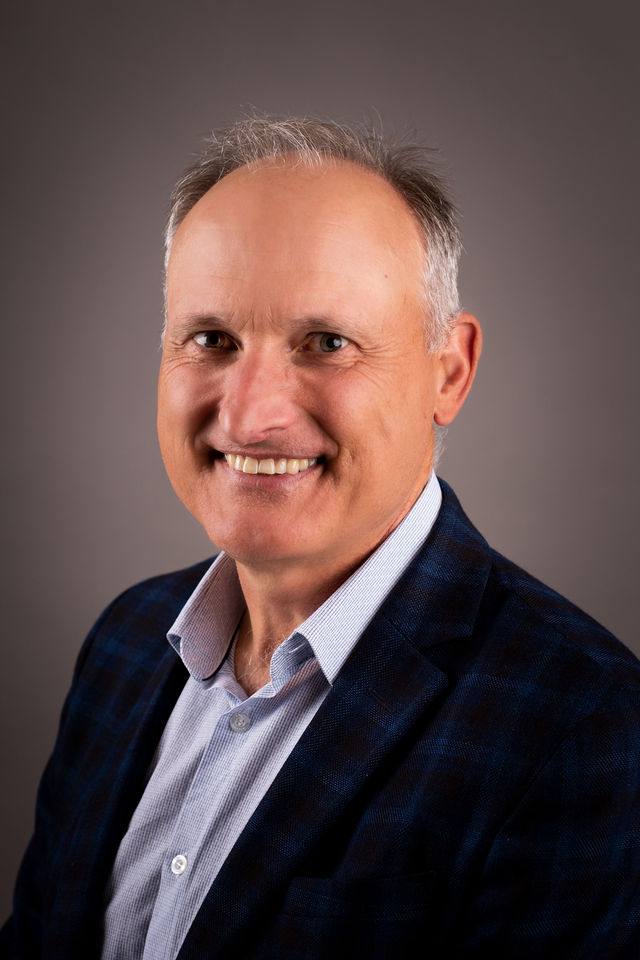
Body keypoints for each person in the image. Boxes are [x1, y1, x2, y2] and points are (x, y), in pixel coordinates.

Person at [2, 117, 639, 959]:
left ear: (448, 372)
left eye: (326, 343)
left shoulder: (584, 728)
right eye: (212, 340)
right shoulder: (124, 643)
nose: (251, 413)